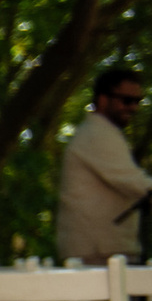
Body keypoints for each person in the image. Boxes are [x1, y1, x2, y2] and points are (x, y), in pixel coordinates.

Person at [57, 66, 149, 264]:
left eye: (137, 102)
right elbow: (136, 184)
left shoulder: (101, 133)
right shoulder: (97, 134)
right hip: (99, 256)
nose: (133, 108)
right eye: (126, 101)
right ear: (103, 99)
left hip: (103, 251)